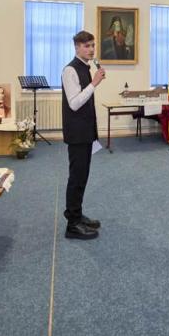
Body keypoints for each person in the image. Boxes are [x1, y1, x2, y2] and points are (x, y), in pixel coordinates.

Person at [61, 30, 105, 240]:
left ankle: (77, 215)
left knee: (82, 176)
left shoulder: (86, 67)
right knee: (77, 177)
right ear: (77, 47)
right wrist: (94, 83)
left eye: (93, 45)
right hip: (77, 132)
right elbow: (75, 103)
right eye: (87, 46)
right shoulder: (70, 70)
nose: (91, 49)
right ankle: (72, 224)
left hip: (86, 131)